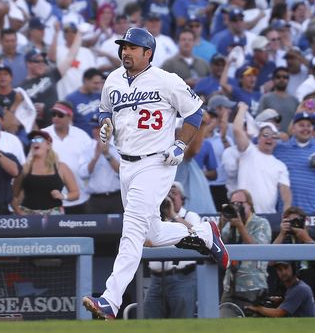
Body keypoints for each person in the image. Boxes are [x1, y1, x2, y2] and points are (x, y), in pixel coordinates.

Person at [82, 28, 228, 320]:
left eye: (133, 48)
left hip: (156, 162)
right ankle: (203, 233)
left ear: (148, 53)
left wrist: (180, 143)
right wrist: (106, 123)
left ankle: (110, 300)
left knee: (132, 230)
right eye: (123, 46)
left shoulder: (166, 80)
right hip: (126, 164)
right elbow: (104, 110)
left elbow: (195, 112)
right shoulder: (112, 79)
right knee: (151, 233)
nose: (126, 52)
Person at [143, 183, 199, 319]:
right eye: (166, 192)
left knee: (182, 323)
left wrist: (173, 215)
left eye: (174, 192)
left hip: (182, 278)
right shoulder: (154, 218)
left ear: (183, 198)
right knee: (151, 322)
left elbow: (197, 235)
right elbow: (145, 241)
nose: (170, 196)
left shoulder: (190, 216)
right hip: (156, 279)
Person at [219, 188, 272, 317]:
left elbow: (258, 250)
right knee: (223, 325)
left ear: (250, 205)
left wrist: (240, 226)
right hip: (230, 286)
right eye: (233, 204)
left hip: (252, 285)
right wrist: (221, 222)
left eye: (240, 204)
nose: (236, 207)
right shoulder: (228, 225)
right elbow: (216, 244)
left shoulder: (261, 223)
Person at [12, 130, 79, 214]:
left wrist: (63, 196)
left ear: (48, 145)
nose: (35, 142)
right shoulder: (25, 168)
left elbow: (75, 193)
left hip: (54, 216)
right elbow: (13, 195)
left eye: (39, 140)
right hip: (29, 215)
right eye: (32, 140)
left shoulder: (61, 167)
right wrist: (19, 212)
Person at [245, 261, 315, 317]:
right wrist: (281, 301)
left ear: (294, 268)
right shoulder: (294, 287)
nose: (283, 272)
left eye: (286, 268)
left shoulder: (299, 289)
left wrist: (258, 308)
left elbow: (278, 313)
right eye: (279, 269)